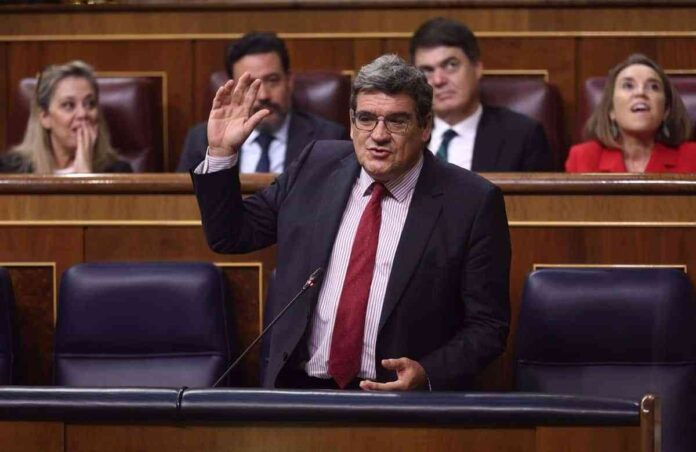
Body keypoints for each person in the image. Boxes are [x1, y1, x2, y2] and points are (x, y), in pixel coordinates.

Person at [192, 54, 510, 391]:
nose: (379, 135)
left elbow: (488, 326)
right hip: (300, 390)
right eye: (366, 119)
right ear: (351, 121)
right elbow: (231, 235)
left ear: (425, 126)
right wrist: (221, 152)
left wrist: (427, 373)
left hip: (399, 398)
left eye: (397, 121)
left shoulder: (471, 202)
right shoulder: (315, 165)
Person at [177, 32, 348, 172]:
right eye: (250, 84)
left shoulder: (328, 138)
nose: (263, 96)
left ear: (289, 82)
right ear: (235, 88)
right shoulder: (202, 140)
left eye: (272, 80)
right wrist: (221, 153)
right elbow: (183, 199)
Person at [409, 17, 553, 172]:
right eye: (426, 71)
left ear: (477, 68)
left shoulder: (522, 136)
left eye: (451, 65)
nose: (438, 80)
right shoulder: (406, 135)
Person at [566, 53, 696, 173]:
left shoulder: (691, 157)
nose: (640, 92)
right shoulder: (583, 158)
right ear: (611, 110)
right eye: (628, 86)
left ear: (666, 110)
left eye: (653, 87)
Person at [0, 60, 132, 174]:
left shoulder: (118, 172)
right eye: (69, 105)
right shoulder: (10, 170)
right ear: (45, 117)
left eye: (90, 104)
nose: (83, 114)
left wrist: (84, 172)